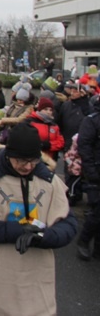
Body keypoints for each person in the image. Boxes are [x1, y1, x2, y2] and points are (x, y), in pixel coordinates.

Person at [0, 123, 77, 316]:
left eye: (33, 160)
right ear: (8, 154)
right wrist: (17, 231)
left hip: (36, 268)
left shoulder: (51, 183)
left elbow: (69, 224)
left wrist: (43, 236)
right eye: (21, 160)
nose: (28, 166)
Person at [76, 96, 100, 260]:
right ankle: (83, 241)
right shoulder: (92, 121)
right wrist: (91, 172)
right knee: (97, 212)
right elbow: (84, 146)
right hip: (96, 173)